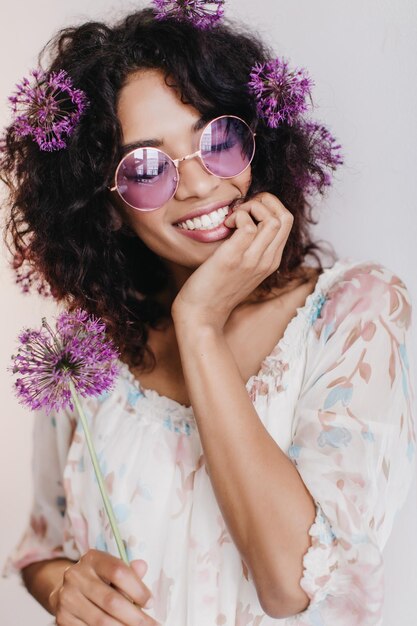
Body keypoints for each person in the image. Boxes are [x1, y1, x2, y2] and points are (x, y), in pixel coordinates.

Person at [1, 3, 415, 626]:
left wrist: (198, 324)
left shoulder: (358, 313)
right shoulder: (84, 351)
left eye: (216, 139)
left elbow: (290, 587)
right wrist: (67, 588)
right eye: (145, 166)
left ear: (256, 142)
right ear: (108, 205)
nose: (196, 185)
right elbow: (43, 546)